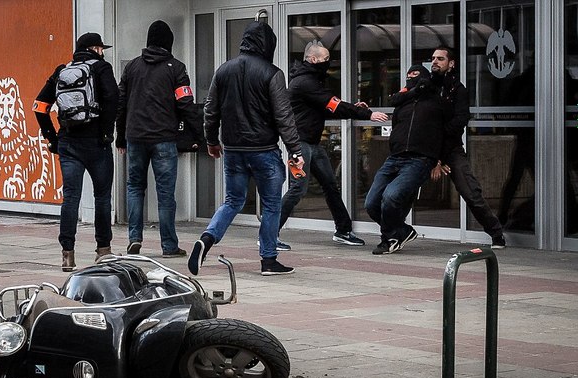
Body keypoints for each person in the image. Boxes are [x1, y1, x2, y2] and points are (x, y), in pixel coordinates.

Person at [188, 21, 303, 276]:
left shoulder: (223, 70)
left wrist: (211, 141)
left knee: (232, 201)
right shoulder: (272, 73)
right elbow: (284, 117)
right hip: (264, 150)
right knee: (272, 205)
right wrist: (295, 151)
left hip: (233, 150)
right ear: (267, 45)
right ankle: (268, 260)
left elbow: (210, 110)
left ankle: (207, 239)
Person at [278, 41, 388, 250]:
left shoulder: (312, 81)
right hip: (299, 146)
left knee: (330, 186)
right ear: (312, 59)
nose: (328, 63)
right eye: (325, 59)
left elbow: (329, 107)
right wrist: (367, 114)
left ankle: (343, 230)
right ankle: (268, 234)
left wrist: (353, 108)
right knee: (298, 189)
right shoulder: (304, 83)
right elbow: (333, 104)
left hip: (313, 145)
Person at [115, 20, 203, 258]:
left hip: (135, 137)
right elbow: (185, 104)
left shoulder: (132, 67)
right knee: (165, 194)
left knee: (134, 188)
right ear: (169, 43)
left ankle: (134, 238)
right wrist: (199, 135)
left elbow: (120, 105)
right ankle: (169, 245)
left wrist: (120, 138)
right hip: (164, 138)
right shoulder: (176, 68)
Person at [33, 32, 119, 271]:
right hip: (96, 144)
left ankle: (67, 254)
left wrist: (52, 138)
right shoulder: (101, 68)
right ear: (95, 49)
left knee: (71, 198)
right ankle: (103, 251)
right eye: (101, 48)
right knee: (101, 197)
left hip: (68, 143)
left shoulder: (62, 70)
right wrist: (106, 133)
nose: (102, 52)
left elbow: (40, 106)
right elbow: (113, 99)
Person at [364, 65, 451, 255]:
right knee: (371, 203)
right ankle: (402, 231)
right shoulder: (402, 102)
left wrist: (439, 160)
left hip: (419, 159)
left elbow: (447, 133)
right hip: (395, 157)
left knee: (391, 196)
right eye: (408, 76)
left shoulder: (437, 102)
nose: (411, 80)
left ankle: (390, 238)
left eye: (415, 77)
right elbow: (396, 128)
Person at [429, 46, 506, 249]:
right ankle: (394, 234)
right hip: (426, 150)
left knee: (471, 192)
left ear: (451, 63)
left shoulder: (458, 90)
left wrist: (441, 157)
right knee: (402, 189)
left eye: (440, 59)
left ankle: (496, 234)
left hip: (450, 150)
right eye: (433, 58)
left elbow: (460, 120)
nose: (435, 62)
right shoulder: (426, 87)